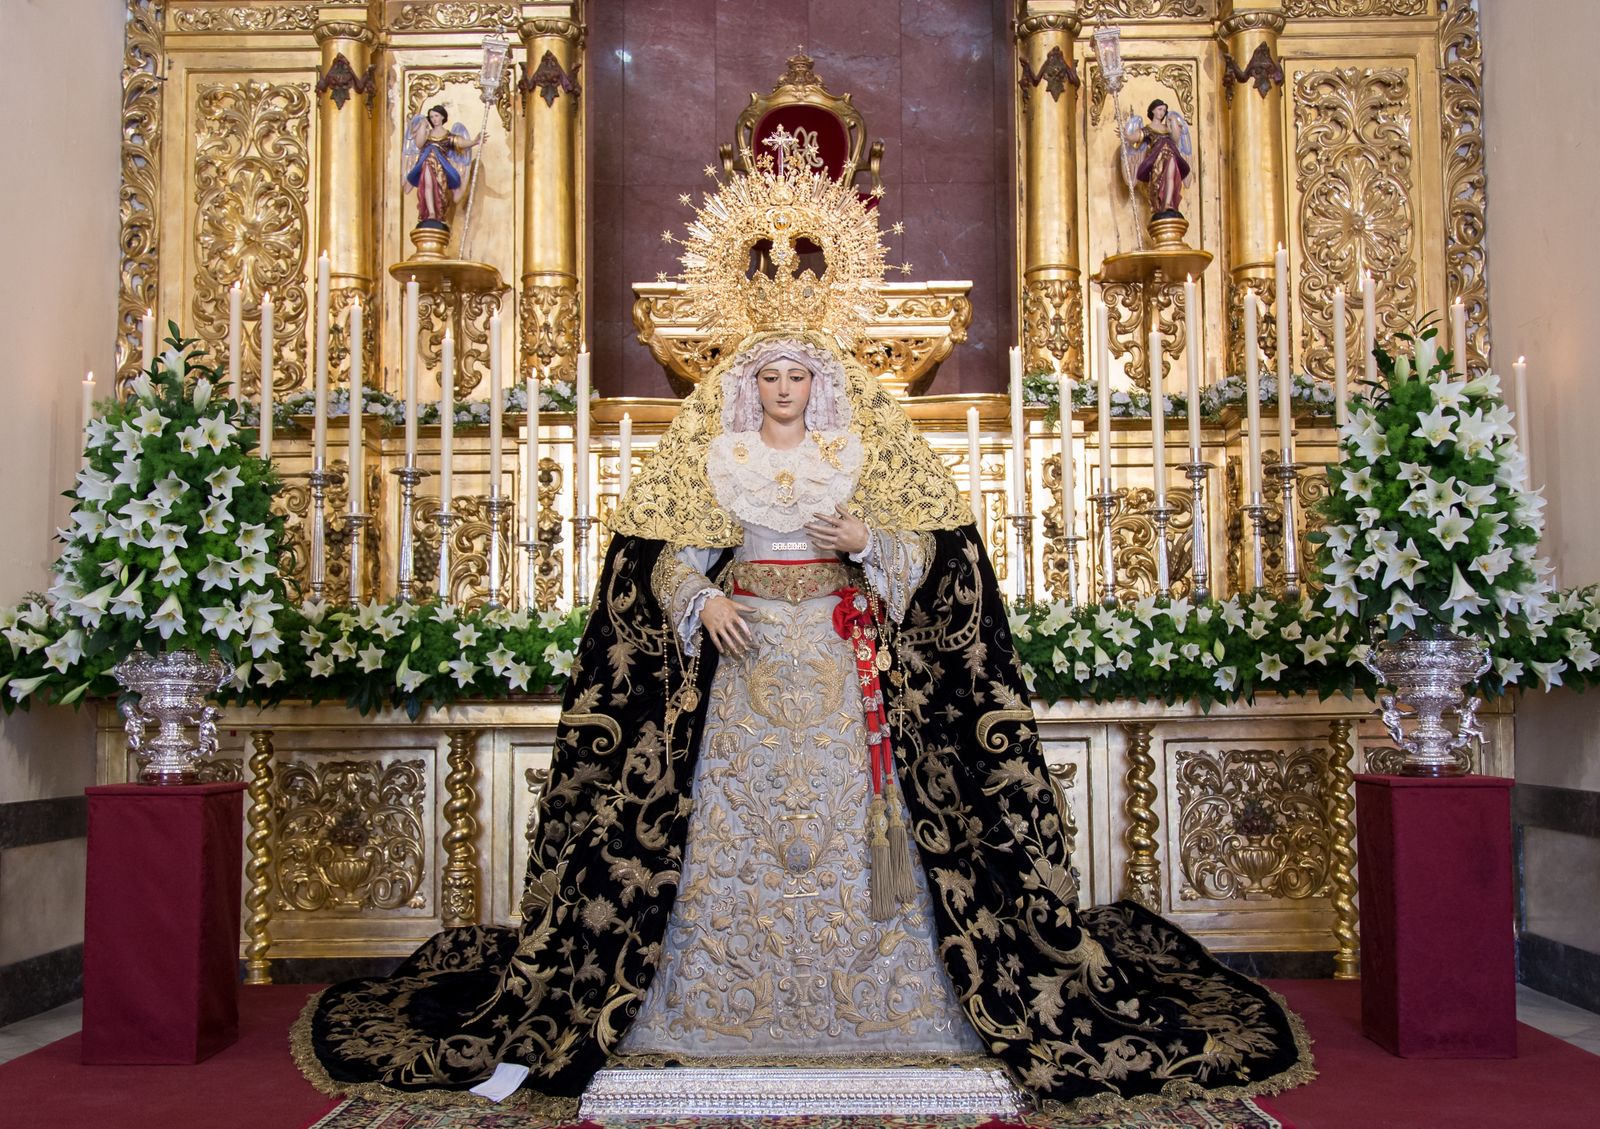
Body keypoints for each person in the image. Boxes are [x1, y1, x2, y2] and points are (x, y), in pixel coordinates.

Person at [295, 329, 1312, 1116]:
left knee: (859, 829)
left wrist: (872, 543)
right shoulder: (715, 456)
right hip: (741, 672)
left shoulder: (859, 454)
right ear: (750, 389)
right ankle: (696, 1006)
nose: (783, 394)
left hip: (839, 668)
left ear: (816, 388)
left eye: (796, 380)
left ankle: (897, 1007)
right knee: (729, 830)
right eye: (769, 380)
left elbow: (934, 569)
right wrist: (704, 598)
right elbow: (659, 560)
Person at [403, 105, 479, 230]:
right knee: (427, 184)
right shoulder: (427, 134)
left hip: (441, 169)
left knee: (439, 191)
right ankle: (431, 212)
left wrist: (475, 141)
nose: (434, 119)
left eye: (436, 116)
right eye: (432, 116)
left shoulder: (448, 136)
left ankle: (437, 213)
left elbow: (460, 142)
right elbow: (418, 143)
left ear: (442, 117)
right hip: (426, 162)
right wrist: (422, 125)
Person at [1128, 99, 1193, 220]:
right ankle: (1162, 204)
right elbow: (1136, 137)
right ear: (1152, 110)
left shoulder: (1167, 129)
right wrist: (1127, 136)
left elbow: (1176, 139)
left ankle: (1168, 203)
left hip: (1171, 155)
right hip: (1157, 161)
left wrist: (1173, 122)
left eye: (1164, 110)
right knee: (1161, 180)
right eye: (1159, 109)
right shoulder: (1148, 129)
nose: (1162, 113)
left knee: (1171, 177)